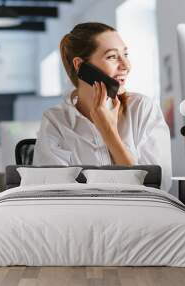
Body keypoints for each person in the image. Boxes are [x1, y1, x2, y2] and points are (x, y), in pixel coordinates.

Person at [32, 22, 172, 191]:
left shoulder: (142, 109)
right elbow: (53, 192)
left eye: (125, 54)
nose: (126, 65)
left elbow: (157, 187)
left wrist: (109, 132)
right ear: (80, 66)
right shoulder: (56, 121)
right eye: (112, 56)